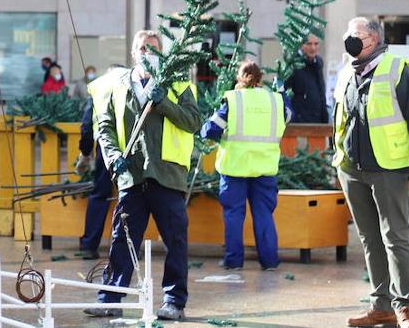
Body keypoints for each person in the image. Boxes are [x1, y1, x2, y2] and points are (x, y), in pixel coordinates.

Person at [87, 30, 200, 322]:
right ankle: (109, 298)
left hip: (166, 175)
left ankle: (174, 302)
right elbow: (106, 127)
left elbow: (192, 121)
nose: (147, 52)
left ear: (161, 53)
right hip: (132, 176)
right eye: (142, 47)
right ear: (133, 52)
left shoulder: (176, 84)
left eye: (153, 48)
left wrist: (164, 103)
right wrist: (112, 158)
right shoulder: (118, 85)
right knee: (121, 239)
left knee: (175, 239)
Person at [333, 17, 409, 328]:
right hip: (352, 169)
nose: (350, 40)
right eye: (348, 35)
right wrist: (338, 161)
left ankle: (405, 309)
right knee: (369, 239)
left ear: (373, 39)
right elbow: (340, 119)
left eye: (356, 35)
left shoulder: (397, 69)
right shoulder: (346, 71)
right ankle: (381, 306)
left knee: (396, 237)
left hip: (390, 169)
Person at [201, 60, 291, 271]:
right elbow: (288, 115)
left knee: (234, 214)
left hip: (235, 168)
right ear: (261, 78)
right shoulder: (275, 100)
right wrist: (283, 92)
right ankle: (269, 261)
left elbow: (210, 130)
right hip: (264, 168)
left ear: (239, 78)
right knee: (264, 215)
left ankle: (233, 261)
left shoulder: (233, 100)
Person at [74, 66, 119, 258]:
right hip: (131, 146)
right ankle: (126, 246)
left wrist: (85, 153)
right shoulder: (131, 86)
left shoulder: (98, 90)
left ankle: (89, 244)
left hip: (105, 148)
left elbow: (86, 125)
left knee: (100, 194)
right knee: (131, 195)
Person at [287, 34, 328, 123]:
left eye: (316, 44)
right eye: (309, 44)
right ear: (301, 44)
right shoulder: (293, 64)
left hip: (319, 122)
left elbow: (321, 92)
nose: (313, 48)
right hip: (300, 124)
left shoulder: (318, 62)